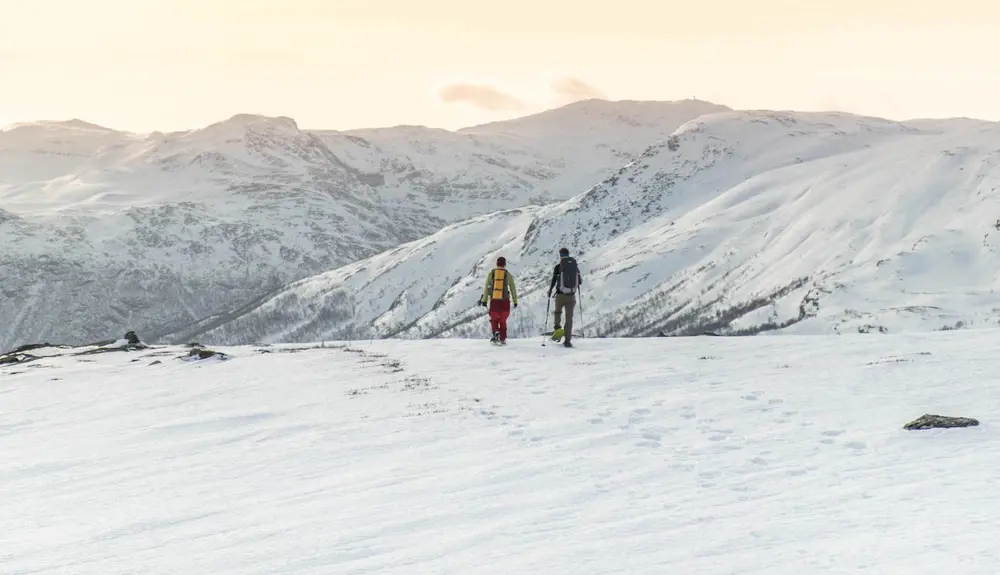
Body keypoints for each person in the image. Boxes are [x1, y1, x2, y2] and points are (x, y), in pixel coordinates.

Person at [548, 247, 582, 347]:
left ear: (560, 255)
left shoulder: (558, 267)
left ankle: (558, 330)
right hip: (571, 296)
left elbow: (554, 281)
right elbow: (579, 281)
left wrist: (550, 291)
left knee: (557, 312)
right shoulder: (575, 266)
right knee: (569, 318)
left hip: (560, 296)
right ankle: (567, 341)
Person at [480, 256, 518, 345]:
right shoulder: (507, 274)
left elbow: (486, 287)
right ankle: (503, 338)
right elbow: (513, 289)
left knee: (494, 319)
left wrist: (484, 300)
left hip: (494, 301)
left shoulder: (492, 273)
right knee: (503, 320)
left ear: (497, 264)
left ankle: (496, 332)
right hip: (505, 301)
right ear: (505, 264)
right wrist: (515, 301)